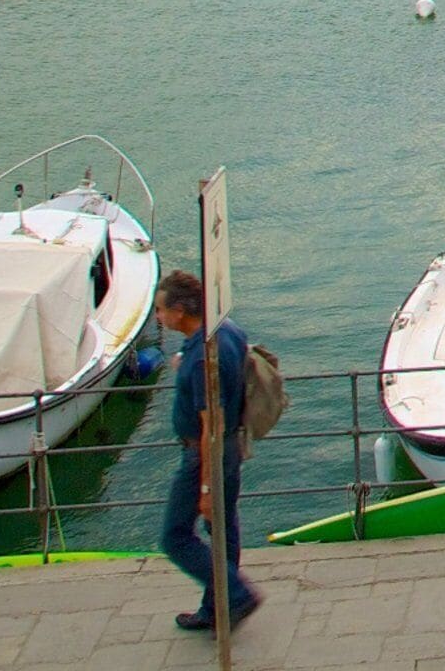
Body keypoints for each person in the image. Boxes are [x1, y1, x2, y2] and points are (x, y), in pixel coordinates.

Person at [153, 272, 260, 634]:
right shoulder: (225, 331)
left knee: (175, 536)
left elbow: (209, 425)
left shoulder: (202, 360)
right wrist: (185, 360)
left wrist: (205, 487)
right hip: (232, 444)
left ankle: (237, 593)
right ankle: (217, 607)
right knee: (222, 528)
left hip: (204, 453)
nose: (158, 317)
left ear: (179, 311)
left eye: (160, 310)